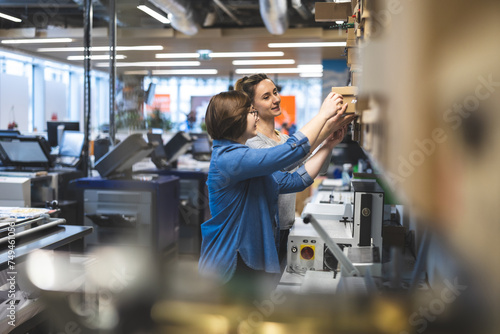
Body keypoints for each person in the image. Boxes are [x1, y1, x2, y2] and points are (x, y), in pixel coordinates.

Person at [198, 90, 349, 296]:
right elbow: (290, 151)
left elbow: (293, 181)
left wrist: (328, 144)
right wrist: (323, 116)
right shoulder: (229, 159)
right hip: (231, 261)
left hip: (248, 258)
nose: (256, 116)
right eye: (251, 112)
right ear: (235, 118)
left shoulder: (245, 158)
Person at [235, 73, 356, 267]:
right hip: (261, 234)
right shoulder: (250, 142)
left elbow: (313, 169)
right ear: (252, 106)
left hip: (285, 228)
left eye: (275, 92)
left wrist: (328, 144)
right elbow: (283, 165)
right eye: (266, 97)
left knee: (277, 285)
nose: (276, 99)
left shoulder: (283, 139)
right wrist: (325, 122)